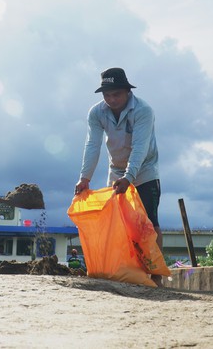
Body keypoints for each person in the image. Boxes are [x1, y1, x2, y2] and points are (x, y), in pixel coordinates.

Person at [74, 67, 164, 287]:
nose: (111, 99)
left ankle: (156, 275)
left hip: (144, 170)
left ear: (127, 92)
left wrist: (129, 176)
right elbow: (93, 145)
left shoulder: (143, 110)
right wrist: (84, 178)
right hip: (116, 171)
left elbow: (140, 148)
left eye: (116, 94)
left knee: (149, 223)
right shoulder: (96, 113)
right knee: (118, 223)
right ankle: (126, 269)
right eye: (107, 95)